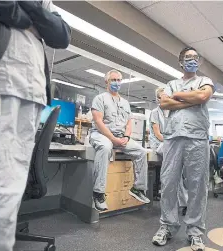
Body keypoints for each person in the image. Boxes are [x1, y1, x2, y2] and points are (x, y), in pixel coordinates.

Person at [0, 1, 71, 250]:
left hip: (30, 92)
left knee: (3, 204)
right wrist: (33, 20)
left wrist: (29, 9)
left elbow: (61, 34)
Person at [152, 47, 214, 251]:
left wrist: (178, 96)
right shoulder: (171, 83)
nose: (192, 60)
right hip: (173, 137)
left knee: (197, 186)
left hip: (197, 137)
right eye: (188, 57)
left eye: (196, 57)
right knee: (168, 183)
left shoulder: (204, 81)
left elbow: (203, 97)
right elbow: (164, 104)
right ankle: (168, 226)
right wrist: (190, 99)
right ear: (180, 61)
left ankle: (195, 231)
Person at [89, 69, 150, 212]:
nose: (116, 83)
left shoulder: (125, 103)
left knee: (141, 151)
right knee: (105, 147)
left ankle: (138, 188)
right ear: (107, 82)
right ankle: (98, 193)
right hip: (101, 134)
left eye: (118, 80)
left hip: (121, 136)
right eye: (113, 80)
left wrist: (126, 137)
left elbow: (129, 124)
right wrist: (112, 139)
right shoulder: (100, 99)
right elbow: (98, 122)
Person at [149, 87, 188, 216]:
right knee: (174, 168)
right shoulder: (155, 112)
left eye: (167, 96)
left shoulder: (172, 112)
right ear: (158, 99)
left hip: (170, 144)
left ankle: (182, 202)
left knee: (177, 171)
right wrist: (171, 141)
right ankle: (182, 202)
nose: (165, 99)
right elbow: (158, 134)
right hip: (159, 144)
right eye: (162, 97)